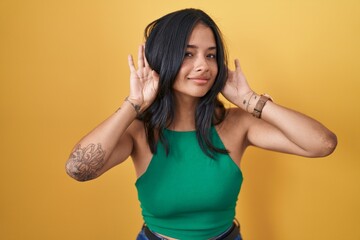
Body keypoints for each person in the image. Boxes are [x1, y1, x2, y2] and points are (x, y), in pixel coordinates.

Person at [65, 8, 337, 240]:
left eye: (210, 55)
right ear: (163, 59)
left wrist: (252, 100)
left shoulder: (237, 123)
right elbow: (78, 169)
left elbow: (322, 144)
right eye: (187, 54)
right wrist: (134, 104)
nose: (203, 66)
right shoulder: (138, 130)